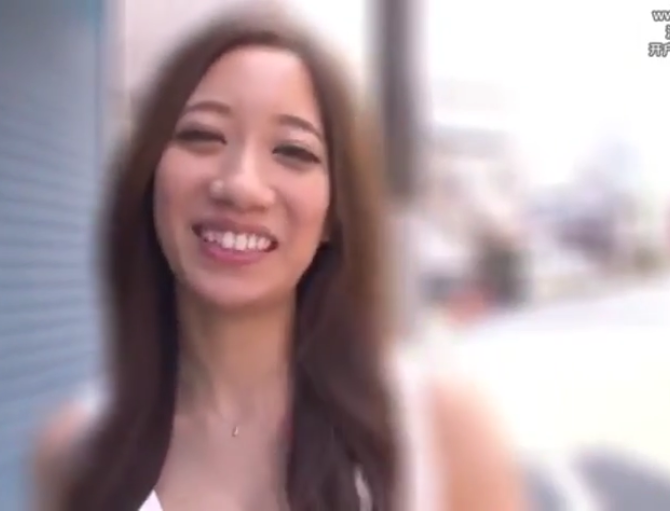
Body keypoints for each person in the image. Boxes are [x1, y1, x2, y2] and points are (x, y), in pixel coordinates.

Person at [31, 8, 525, 511]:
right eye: (202, 136)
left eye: (293, 152)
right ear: (151, 174)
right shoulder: (76, 455)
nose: (240, 185)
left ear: (334, 212)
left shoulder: (438, 434)